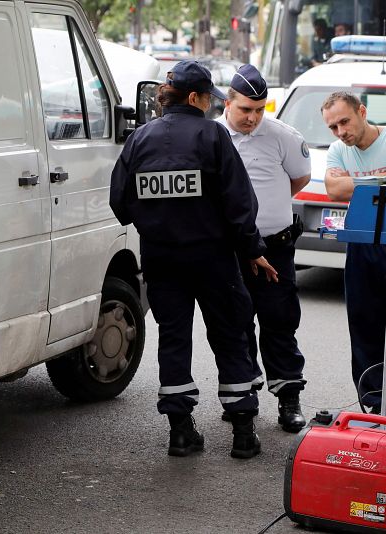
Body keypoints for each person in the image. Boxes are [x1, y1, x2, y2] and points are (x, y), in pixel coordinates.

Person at [109, 60, 278, 459]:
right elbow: (239, 203)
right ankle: (242, 434)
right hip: (213, 258)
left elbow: (120, 202)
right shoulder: (213, 136)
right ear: (193, 97)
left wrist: (159, 220)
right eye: (208, 97)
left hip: (161, 259)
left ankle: (181, 433)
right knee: (229, 335)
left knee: (173, 339)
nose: (210, 104)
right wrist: (253, 250)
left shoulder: (140, 139)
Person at [216, 64, 311, 433]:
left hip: (274, 246)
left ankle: (289, 398)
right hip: (230, 249)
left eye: (259, 110)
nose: (252, 118)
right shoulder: (212, 136)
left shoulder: (282, 136)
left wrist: (269, 209)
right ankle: (243, 396)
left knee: (280, 321)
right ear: (228, 102)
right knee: (234, 324)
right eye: (245, 110)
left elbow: (299, 177)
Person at [320, 91, 386, 412]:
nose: (340, 132)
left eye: (345, 122)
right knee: (364, 322)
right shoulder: (338, 150)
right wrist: (383, 178)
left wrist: (356, 181)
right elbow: (333, 189)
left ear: (362, 111)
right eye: (333, 127)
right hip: (361, 240)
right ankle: (374, 403)